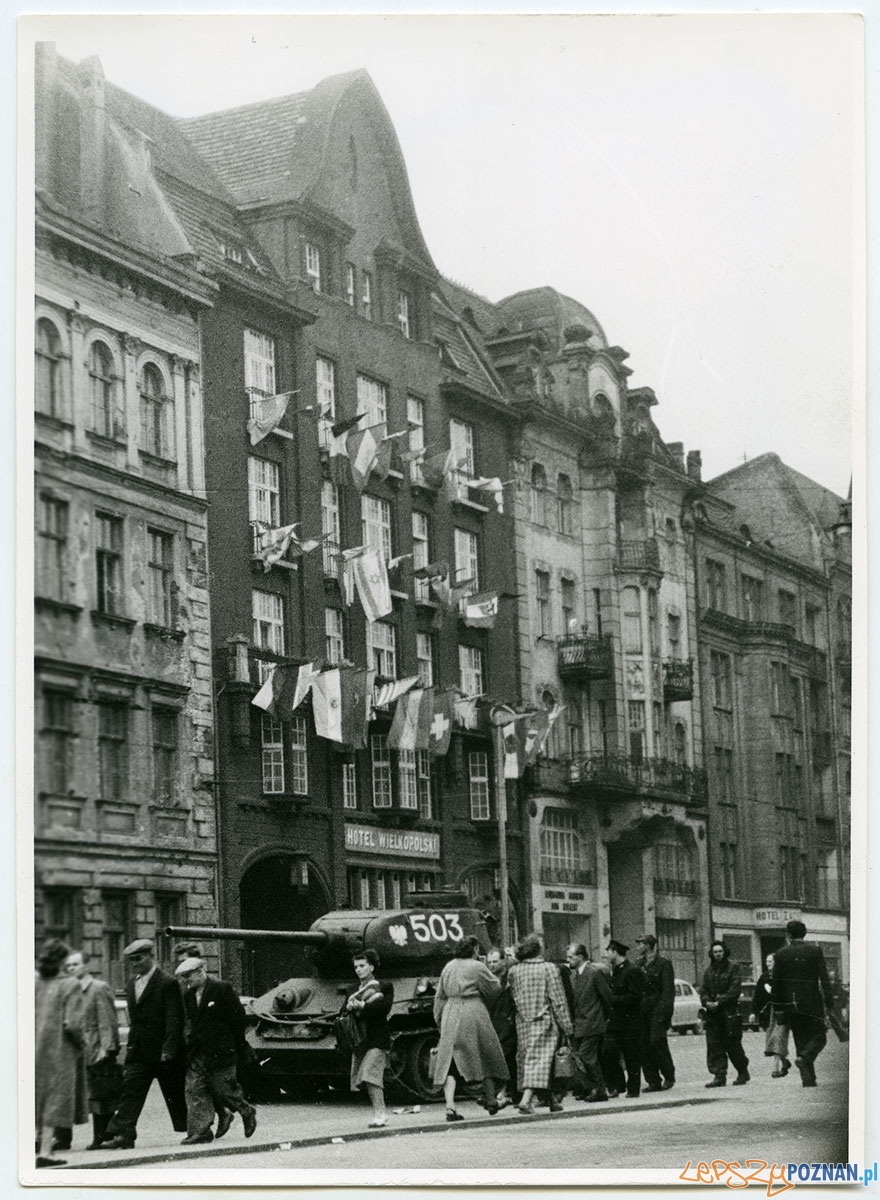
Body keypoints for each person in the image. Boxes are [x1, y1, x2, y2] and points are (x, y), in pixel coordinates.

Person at [99, 938, 187, 1150]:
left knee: (175, 1094)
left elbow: (174, 1019)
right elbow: (135, 1021)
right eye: (131, 960)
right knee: (131, 1092)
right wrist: (131, 1047)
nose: (134, 964)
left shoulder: (167, 983)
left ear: (151, 956)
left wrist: (169, 1049)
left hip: (163, 1053)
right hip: (139, 1052)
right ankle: (124, 1135)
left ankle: (198, 1129)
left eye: (138, 959)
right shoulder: (131, 984)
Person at [175, 958, 257, 1144]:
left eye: (188, 976)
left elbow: (238, 1018)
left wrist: (237, 1044)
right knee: (194, 1089)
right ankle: (200, 1131)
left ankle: (246, 1111)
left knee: (224, 1089)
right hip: (198, 1051)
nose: (185, 980)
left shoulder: (221, 989)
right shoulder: (189, 995)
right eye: (183, 977)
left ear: (200, 972)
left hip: (221, 1050)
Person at [433, 936, 509, 1121]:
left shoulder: (448, 966)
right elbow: (494, 989)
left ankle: (450, 1106)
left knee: (450, 1061)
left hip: (450, 1011)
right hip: (473, 1011)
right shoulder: (477, 966)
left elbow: (439, 995)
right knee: (485, 1053)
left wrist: (439, 1019)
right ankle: (491, 1099)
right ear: (474, 949)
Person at [507, 933, 573, 1115]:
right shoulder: (548, 968)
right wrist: (567, 1026)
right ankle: (526, 1100)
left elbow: (512, 995)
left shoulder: (514, 971)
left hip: (523, 1022)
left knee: (531, 1060)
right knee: (541, 1062)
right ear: (538, 950)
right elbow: (558, 1000)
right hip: (544, 1021)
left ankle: (551, 1100)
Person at [35, 938, 87, 1166]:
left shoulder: (35, 983)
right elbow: (73, 1023)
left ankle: (30, 1147)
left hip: (34, 1047)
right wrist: (82, 1043)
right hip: (59, 1049)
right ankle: (46, 1151)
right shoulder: (70, 984)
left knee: (35, 1095)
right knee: (55, 1099)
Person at [173, 942, 232, 1138]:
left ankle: (212, 1121)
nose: (182, 967)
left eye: (186, 961)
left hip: (204, 1044)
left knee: (203, 1084)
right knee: (197, 1085)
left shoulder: (213, 985)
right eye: (179, 962)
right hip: (187, 1040)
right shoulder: (183, 984)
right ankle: (216, 1117)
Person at [64, 950, 121, 1149]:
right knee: (77, 1096)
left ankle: (102, 1136)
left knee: (101, 1096)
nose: (71, 968)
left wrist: (107, 1048)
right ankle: (63, 1139)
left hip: (95, 1049)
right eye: (68, 965)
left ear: (86, 966)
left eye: (75, 964)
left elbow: (108, 1021)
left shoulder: (98, 988)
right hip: (75, 1051)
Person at [771, 919, 835, 1088]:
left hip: (790, 1004)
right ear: (804, 933)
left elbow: (776, 983)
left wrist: (778, 1007)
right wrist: (829, 1002)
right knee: (820, 1035)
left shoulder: (780, 954)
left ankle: (808, 1079)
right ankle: (805, 1059)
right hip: (812, 1002)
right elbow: (824, 978)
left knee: (800, 1039)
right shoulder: (814, 951)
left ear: (788, 935)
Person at [346, 949, 393, 1127]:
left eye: (362, 966)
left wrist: (363, 1006)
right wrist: (349, 1007)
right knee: (364, 1078)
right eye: (356, 967)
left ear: (371, 967)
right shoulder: (352, 990)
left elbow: (384, 1008)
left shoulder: (384, 986)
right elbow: (344, 1013)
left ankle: (380, 1114)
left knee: (369, 1074)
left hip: (377, 1038)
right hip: (360, 1040)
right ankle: (379, 1113)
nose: (358, 970)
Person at [565, 943, 612, 1103]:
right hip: (579, 1024)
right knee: (579, 1058)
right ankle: (589, 1088)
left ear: (580, 956)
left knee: (586, 1056)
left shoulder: (594, 973)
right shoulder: (573, 976)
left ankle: (599, 1089)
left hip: (593, 1022)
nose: (568, 960)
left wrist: (603, 1018)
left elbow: (607, 997)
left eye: (571, 957)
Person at [699, 940, 750, 1088]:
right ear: (711, 954)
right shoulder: (708, 971)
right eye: (715, 952)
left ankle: (742, 1071)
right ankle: (719, 1076)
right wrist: (707, 1002)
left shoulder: (733, 968)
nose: (718, 954)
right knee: (715, 1046)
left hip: (729, 1013)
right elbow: (704, 990)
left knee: (733, 1045)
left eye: (720, 951)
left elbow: (734, 989)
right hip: (713, 1015)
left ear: (724, 952)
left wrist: (719, 1001)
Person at [600, 940, 644, 1099]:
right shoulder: (615, 971)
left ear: (615, 952)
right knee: (608, 1052)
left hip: (630, 1021)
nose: (606, 954)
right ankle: (617, 1085)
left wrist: (615, 1000)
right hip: (615, 1022)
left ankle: (633, 1089)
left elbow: (636, 996)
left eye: (608, 951)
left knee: (631, 1056)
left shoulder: (632, 971)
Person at [635, 933, 676, 1093]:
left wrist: (664, 1013)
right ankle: (652, 1080)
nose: (638, 947)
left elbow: (668, 991)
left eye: (641, 944)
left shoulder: (663, 964)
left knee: (657, 1041)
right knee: (644, 1045)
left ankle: (668, 1075)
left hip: (657, 1008)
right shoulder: (639, 964)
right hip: (642, 1009)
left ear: (648, 946)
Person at [486, 947, 518, 1108]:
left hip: (509, 1022)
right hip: (493, 1022)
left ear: (504, 961)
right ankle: (501, 1092)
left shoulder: (511, 978)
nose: (491, 965)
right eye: (489, 962)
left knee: (506, 1057)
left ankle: (503, 1092)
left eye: (495, 961)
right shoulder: (488, 979)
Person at [753, 953, 791, 1078]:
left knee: (778, 1038)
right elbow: (757, 996)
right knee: (772, 1039)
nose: (768, 963)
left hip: (781, 1012)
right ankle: (785, 1062)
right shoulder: (764, 977)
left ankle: (775, 1068)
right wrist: (754, 1012)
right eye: (767, 961)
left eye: (770, 961)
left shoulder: (783, 976)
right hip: (769, 1013)